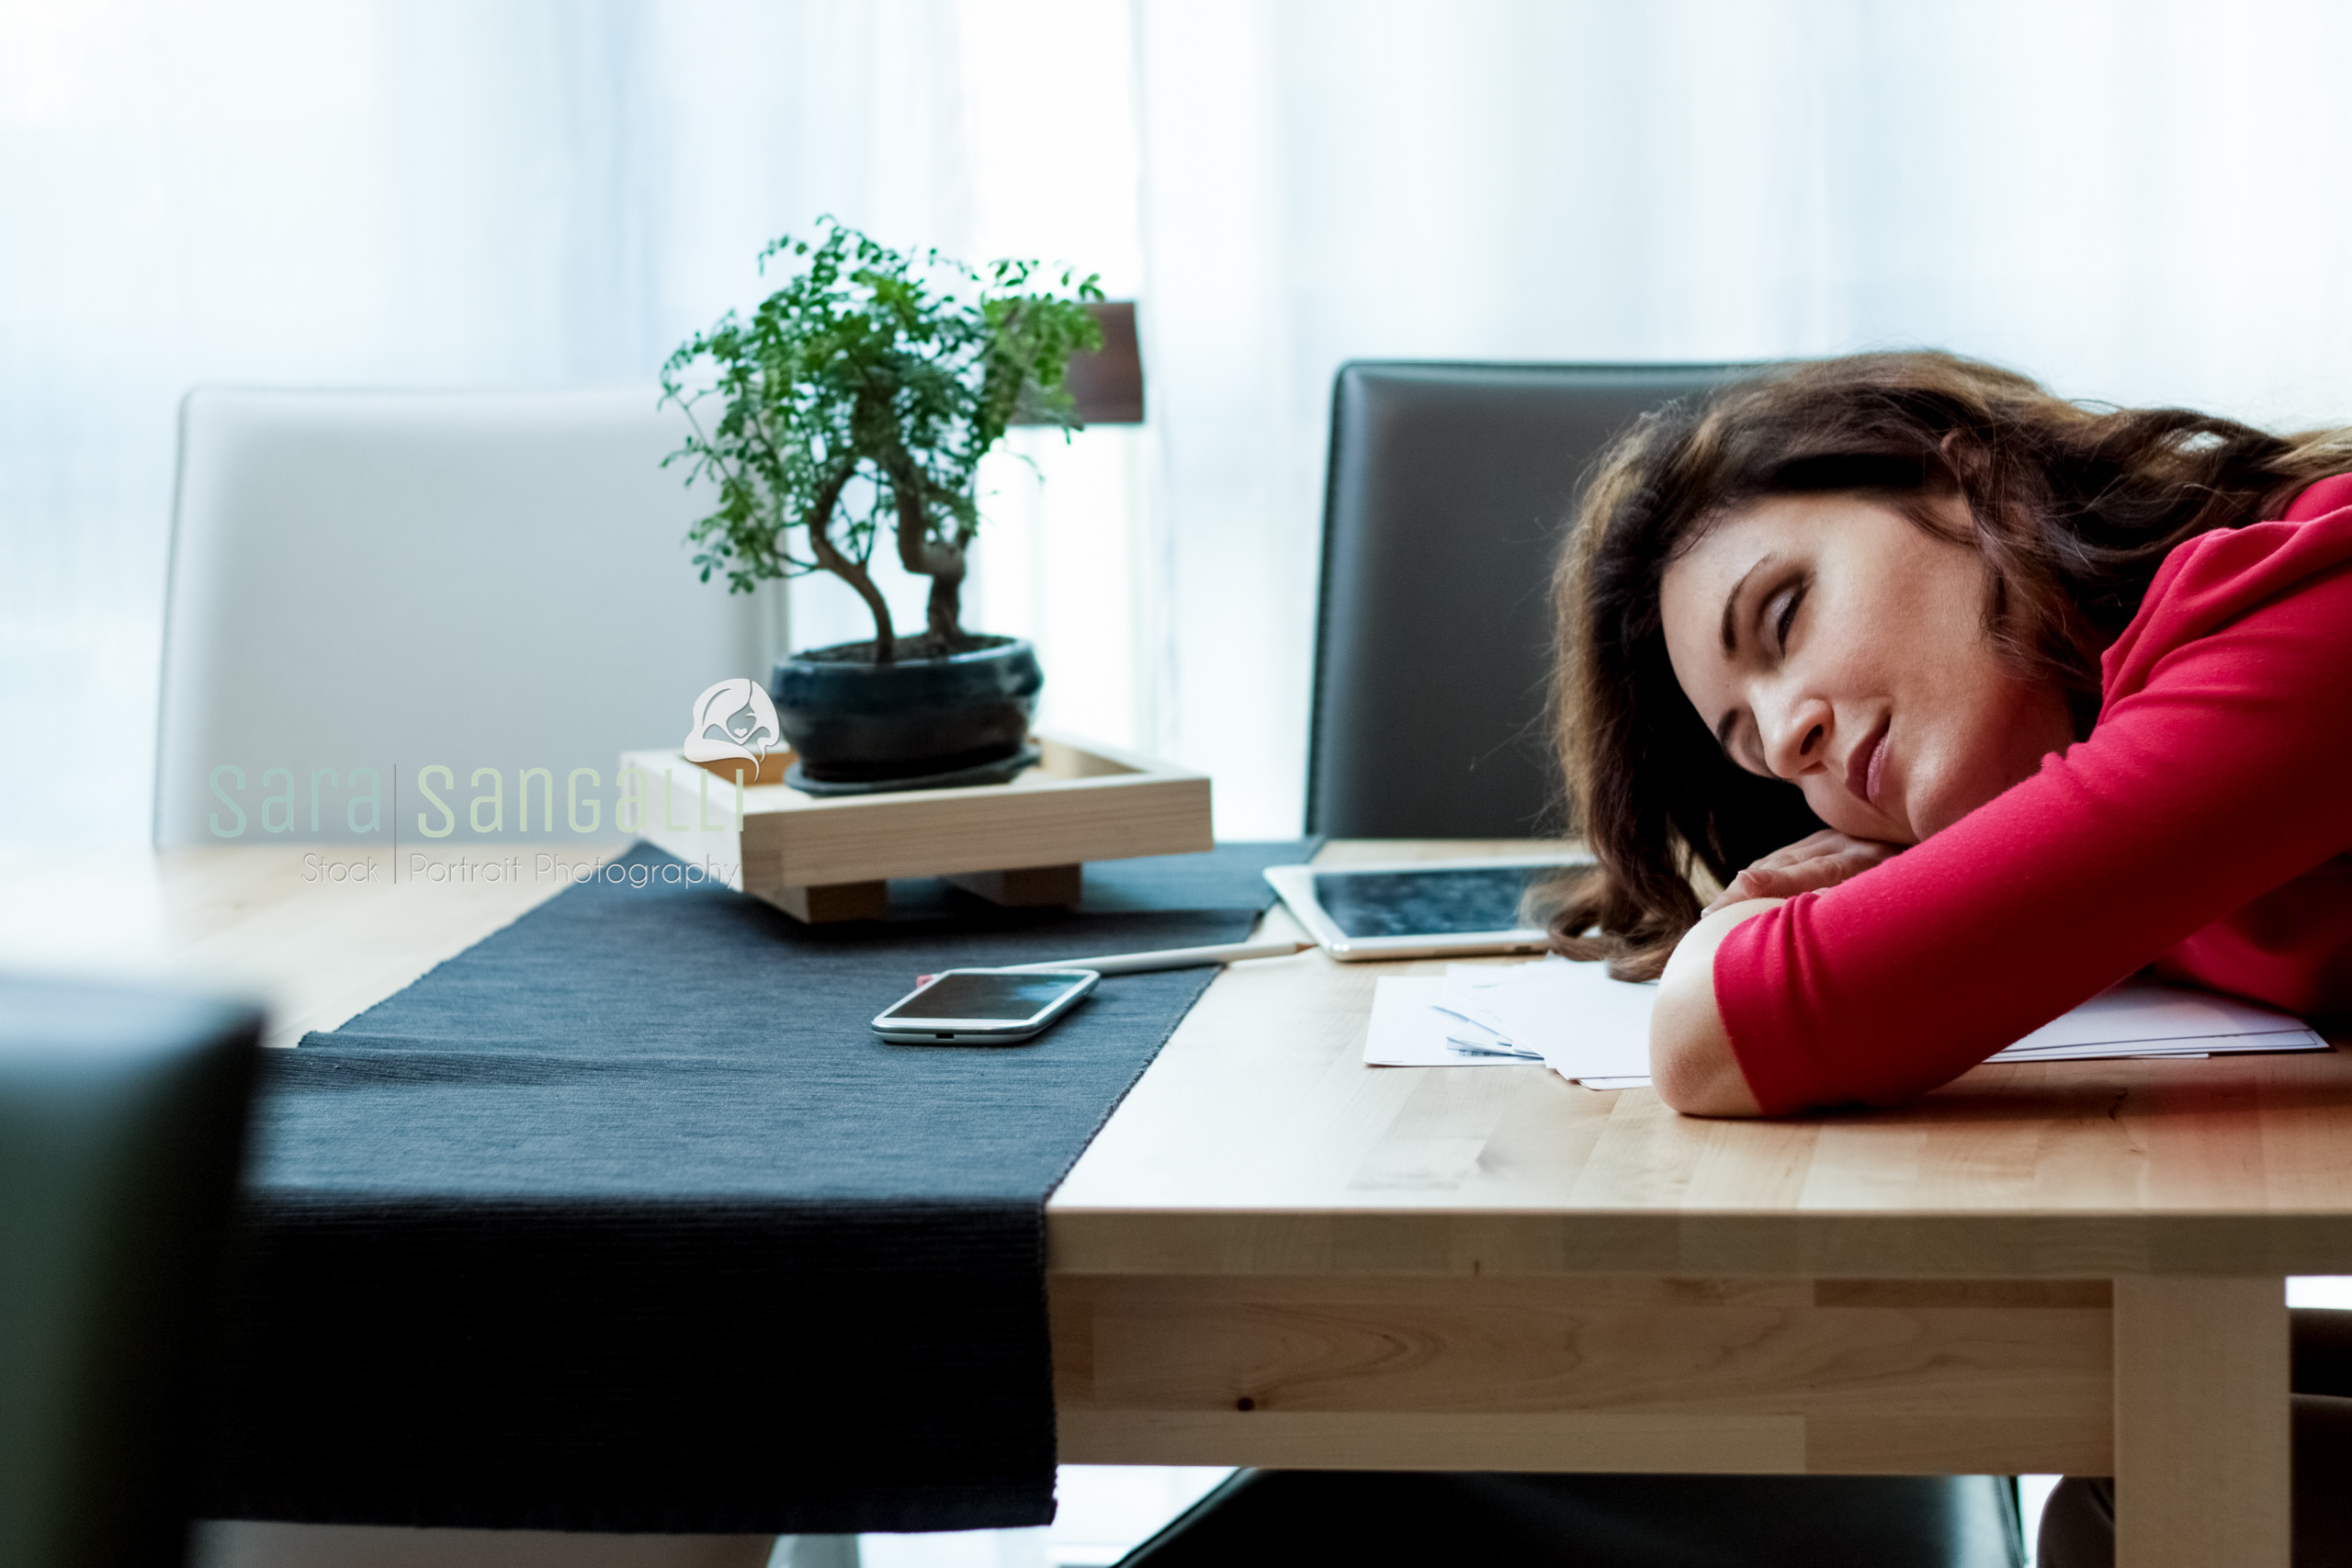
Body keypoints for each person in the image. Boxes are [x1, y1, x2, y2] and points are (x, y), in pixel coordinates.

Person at [1541, 350, 2352, 1565]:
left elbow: (1723, 1035)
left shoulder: (2303, 610)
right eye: (1753, 745)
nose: (1795, 730)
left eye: (1785, 614)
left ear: (1966, 474)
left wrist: (1745, 941)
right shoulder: (2136, 752)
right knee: (2138, 1423)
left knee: (2145, 1485)